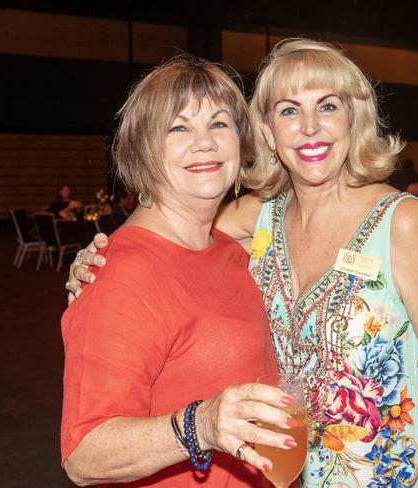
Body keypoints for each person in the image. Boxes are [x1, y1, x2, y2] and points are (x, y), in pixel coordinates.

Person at [69, 39, 418, 488]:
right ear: (266, 132)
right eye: (288, 111)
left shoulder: (402, 223)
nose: (309, 127)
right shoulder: (259, 217)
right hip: (284, 475)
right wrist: (101, 257)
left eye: (327, 106)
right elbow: (171, 231)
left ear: (353, 118)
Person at [60, 56, 299, 487]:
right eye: (179, 128)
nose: (204, 142)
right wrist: (200, 425)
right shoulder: (120, 274)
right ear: (142, 151)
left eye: (220, 124)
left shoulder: (230, 250)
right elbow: (84, 453)